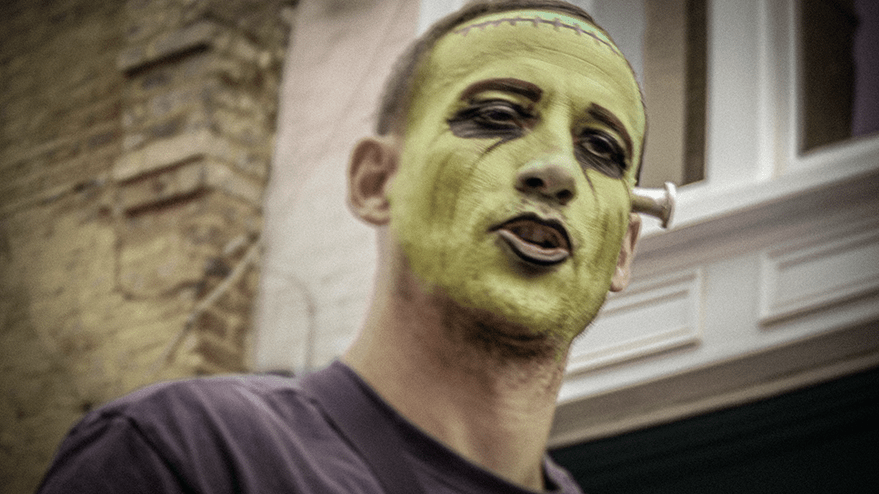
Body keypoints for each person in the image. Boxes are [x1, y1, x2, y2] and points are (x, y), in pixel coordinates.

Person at [37, 0, 649, 492]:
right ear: (376, 182)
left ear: (622, 249)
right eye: (494, 114)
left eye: (602, 149)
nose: (557, 170)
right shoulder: (181, 453)